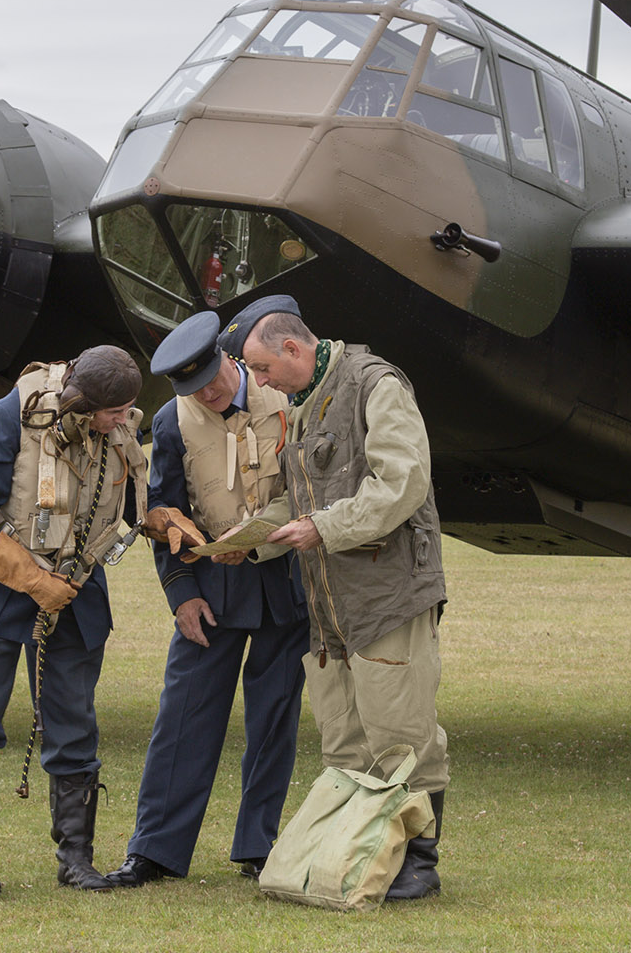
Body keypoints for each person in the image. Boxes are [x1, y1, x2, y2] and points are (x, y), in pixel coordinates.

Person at [236, 300, 450, 900]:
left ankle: (419, 864)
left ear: (293, 351)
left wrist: (322, 529)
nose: (259, 383)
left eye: (260, 368)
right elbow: (298, 500)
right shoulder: (305, 406)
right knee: (345, 739)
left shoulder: (375, 385)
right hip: (331, 604)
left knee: (401, 734)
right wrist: (249, 542)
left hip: (387, 596)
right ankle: (364, 856)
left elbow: (402, 484)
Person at [101, 309, 309, 888]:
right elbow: (162, 515)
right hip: (209, 594)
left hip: (284, 587)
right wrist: (181, 596)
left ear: (229, 358)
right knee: (183, 719)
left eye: (214, 380)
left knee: (275, 721)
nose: (210, 394)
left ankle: (258, 848)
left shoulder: (287, 401)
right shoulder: (170, 422)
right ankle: (154, 852)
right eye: (194, 389)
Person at [0, 345, 147, 892]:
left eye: (127, 412)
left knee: (74, 724)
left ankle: (76, 861)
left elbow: (126, 497)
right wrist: (34, 581)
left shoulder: (114, 425)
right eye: (114, 413)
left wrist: (161, 516)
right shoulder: (10, 415)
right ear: (80, 403)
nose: (124, 422)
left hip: (75, 590)